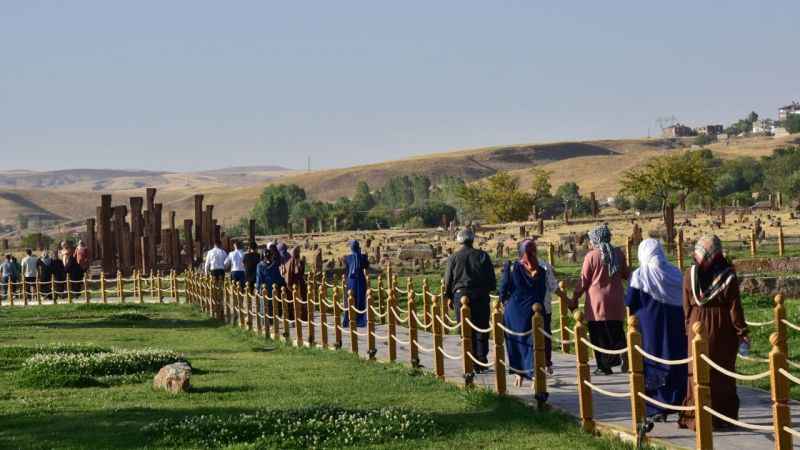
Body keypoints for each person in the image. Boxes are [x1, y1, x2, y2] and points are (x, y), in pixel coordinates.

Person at [678, 235, 748, 431]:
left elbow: (685, 306)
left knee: (697, 372)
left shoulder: (689, 274)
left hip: (696, 325)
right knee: (720, 371)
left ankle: (696, 417)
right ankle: (722, 418)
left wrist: (688, 326)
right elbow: (735, 308)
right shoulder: (728, 275)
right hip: (722, 328)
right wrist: (741, 331)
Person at [625, 239, 687, 421]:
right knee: (674, 359)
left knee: (653, 363)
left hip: (649, 328)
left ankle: (655, 407)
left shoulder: (640, 275)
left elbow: (630, 301)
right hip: (674, 326)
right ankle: (678, 401)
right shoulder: (675, 273)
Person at [570, 224, 629, 375]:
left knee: (599, 334)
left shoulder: (592, 256)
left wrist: (575, 297)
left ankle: (604, 367)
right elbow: (626, 274)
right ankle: (624, 356)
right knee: (617, 331)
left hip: (597, 302)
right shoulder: (618, 254)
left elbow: (583, 281)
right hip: (616, 299)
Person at [499, 240, 557, 387]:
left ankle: (520, 374)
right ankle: (535, 375)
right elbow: (541, 293)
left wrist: (505, 302)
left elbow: (503, 289)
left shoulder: (511, 267)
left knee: (517, 343)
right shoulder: (541, 271)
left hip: (514, 313)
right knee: (534, 344)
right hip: (535, 311)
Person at [444, 228, 497, 370]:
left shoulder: (453, 257)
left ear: (459, 241)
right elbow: (491, 277)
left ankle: (469, 357)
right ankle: (481, 358)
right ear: (472, 240)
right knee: (482, 326)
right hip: (480, 294)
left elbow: (448, 279)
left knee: (465, 327)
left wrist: (448, 296)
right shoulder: (482, 255)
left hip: (461, 295)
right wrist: (490, 288)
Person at [342, 240, 369, 328]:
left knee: (350, 299)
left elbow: (346, 270)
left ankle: (348, 319)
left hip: (351, 280)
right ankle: (360, 320)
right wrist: (364, 255)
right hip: (360, 280)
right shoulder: (363, 257)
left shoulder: (347, 258)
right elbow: (366, 266)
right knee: (360, 300)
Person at [256, 245, 286, 317]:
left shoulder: (259, 265)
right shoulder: (275, 264)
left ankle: (267, 320)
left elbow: (259, 278)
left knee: (265, 304)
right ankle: (275, 318)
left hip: (265, 288)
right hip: (275, 287)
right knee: (275, 304)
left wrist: (257, 288)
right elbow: (278, 277)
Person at [285, 246, 308, 320]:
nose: (298, 253)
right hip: (293, 287)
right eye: (296, 252)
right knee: (293, 304)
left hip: (301, 285)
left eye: (298, 252)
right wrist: (290, 287)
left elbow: (301, 273)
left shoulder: (300, 261)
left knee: (303, 302)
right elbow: (288, 276)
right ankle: (294, 319)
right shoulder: (290, 262)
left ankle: (303, 318)